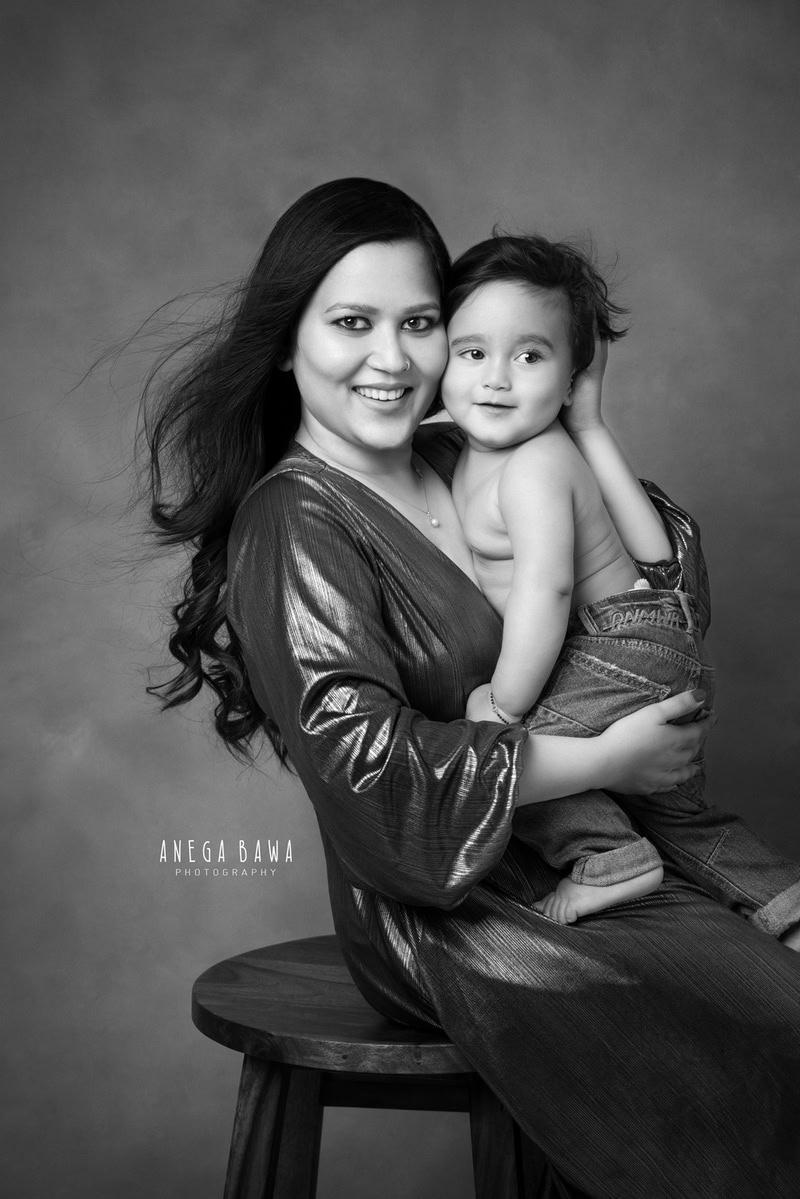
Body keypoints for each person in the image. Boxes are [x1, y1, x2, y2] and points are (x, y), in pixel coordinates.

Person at [144, 177, 800, 1198]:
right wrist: (604, 758)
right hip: (450, 906)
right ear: (286, 342)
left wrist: (584, 421)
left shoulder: (468, 444)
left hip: (596, 851)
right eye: (352, 322)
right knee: (766, 1020)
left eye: (419, 323)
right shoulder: (295, 521)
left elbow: (662, 600)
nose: (392, 358)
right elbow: (365, 776)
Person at [440, 232, 800, 925]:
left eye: (530, 356)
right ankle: (786, 906)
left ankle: (607, 858)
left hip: (614, 652)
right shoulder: (480, 436)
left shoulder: (534, 465)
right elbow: (655, 558)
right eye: (473, 352)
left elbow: (546, 590)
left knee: (504, 759)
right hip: (645, 642)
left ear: (572, 380)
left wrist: (509, 706)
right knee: (683, 820)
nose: (496, 378)